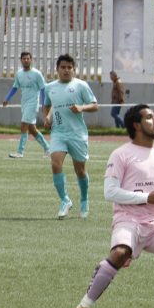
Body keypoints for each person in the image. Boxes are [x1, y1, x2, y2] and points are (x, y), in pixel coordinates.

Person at [72, 104, 154, 308]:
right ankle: (83, 307)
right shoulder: (120, 154)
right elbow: (109, 192)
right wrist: (144, 197)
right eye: (150, 117)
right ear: (136, 125)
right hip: (128, 220)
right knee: (120, 253)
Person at [43, 54, 98, 220]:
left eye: (69, 67)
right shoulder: (49, 87)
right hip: (58, 132)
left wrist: (82, 107)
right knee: (55, 163)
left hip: (77, 134)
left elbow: (95, 106)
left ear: (74, 69)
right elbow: (47, 105)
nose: (66, 70)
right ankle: (65, 200)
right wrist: (47, 117)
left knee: (80, 170)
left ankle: (84, 199)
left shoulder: (81, 85)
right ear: (57, 69)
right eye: (63, 67)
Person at [2, 51, 50, 158]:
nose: (26, 60)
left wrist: (43, 104)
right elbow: (15, 87)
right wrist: (7, 98)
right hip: (24, 103)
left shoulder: (37, 74)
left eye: (28, 58)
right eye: (24, 58)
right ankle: (48, 149)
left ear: (31, 60)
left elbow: (43, 89)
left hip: (33, 104)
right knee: (32, 129)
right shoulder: (19, 73)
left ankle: (20, 152)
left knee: (23, 125)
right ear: (21, 60)